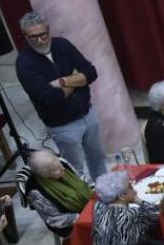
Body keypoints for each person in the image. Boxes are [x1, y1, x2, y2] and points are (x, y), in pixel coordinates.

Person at [14, 11, 106, 179]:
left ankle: (105, 194)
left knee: (98, 158)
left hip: (87, 112)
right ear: (25, 35)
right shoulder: (24, 64)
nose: (40, 40)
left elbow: (91, 73)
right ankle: (85, 203)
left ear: (49, 30)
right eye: (33, 37)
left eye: (43, 34)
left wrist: (62, 81)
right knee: (74, 170)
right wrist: (77, 78)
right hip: (63, 126)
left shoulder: (62, 45)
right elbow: (51, 97)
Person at [90, 171, 159, 245]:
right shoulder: (133, 214)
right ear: (121, 195)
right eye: (130, 187)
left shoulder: (98, 209)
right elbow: (158, 214)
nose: (134, 190)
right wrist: (140, 201)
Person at [19, 148, 91, 239]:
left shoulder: (61, 163)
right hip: (68, 223)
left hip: (86, 207)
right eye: (57, 170)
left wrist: (94, 192)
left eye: (60, 164)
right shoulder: (35, 191)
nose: (63, 168)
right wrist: (84, 216)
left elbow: (83, 179)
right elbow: (53, 219)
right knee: (104, 228)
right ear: (45, 175)